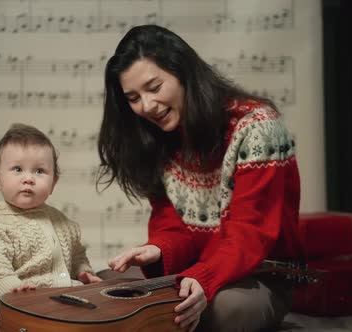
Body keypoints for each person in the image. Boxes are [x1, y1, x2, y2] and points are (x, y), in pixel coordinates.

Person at [97, 25, 302, 332]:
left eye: (154, 88)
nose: (147, 106)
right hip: (196, 271)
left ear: (183, 72)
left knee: (225, 311)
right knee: (105, 285)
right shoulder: (158, 137)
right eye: (133, 97)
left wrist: (204, 278)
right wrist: (158, 249)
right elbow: (173, 227)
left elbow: (250, 232)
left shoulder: (258, 124)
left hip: (261, 276)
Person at [0, 123, 101, 332]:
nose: (28, 178)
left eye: (39, 171)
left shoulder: (61, 221)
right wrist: (14, 292)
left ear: (54, 183)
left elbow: (77, 253)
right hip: (9, 309)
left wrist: (83, 271)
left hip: (58, 302)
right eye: (17, 169)